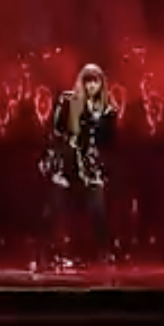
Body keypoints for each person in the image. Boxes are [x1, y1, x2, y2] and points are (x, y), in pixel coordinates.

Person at [45, 63, 121, 266]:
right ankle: (63, 252)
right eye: (88, 81)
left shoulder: (107, 110)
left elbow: (110, 142)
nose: (91, 86)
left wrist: (103, 166)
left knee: (97, 210)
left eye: (95, 82)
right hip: (69, 166)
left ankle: (102, 251)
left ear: (101, 84)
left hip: (93, 168)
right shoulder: (69, 101)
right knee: (65, 212)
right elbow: (57, 131)